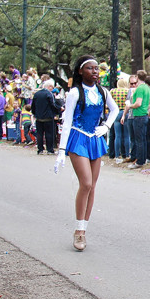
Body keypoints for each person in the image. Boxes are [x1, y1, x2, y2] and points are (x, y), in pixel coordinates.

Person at [53, 56, 119, 251]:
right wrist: (61, 150)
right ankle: (78, 232)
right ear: (81, 71)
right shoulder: (74, 92)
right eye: (90, 68)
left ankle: (83, 228)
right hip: (78, 138)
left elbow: (115, 110)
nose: (95, 71)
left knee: (93, 186)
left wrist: (106, 126)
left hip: (95, 139)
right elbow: (67, 122)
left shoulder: (103, 91)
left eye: (97, 68)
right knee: (86, 183)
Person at [124, 70, 150, 168]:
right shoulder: (147, 88)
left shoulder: (139, 89)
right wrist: (145, 109)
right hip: (144, 115)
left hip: (138, 115)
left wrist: (130, 106)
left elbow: (138, 103)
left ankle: (139, 161)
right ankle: (143, 159)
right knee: (143, 139)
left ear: (137, 77)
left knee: (138, 140)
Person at [32, 78, 61, 155]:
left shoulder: (36, 94)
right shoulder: (49, 94)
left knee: (39, 134)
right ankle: (50, 149)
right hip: (48, 117)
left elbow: (33, 106)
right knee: (49, 134)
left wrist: (35, 114)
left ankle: (40, 149)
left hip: (39, 117)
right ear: (50, 86)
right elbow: (52, 105)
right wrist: (58, 110)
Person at [108, 77, 131, 161]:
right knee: (126, 135)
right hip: (125, 112)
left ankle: (117, 155)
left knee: (117, 135)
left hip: (116, 113)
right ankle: (127, 154)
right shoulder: (128, 91)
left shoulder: (113, 91)